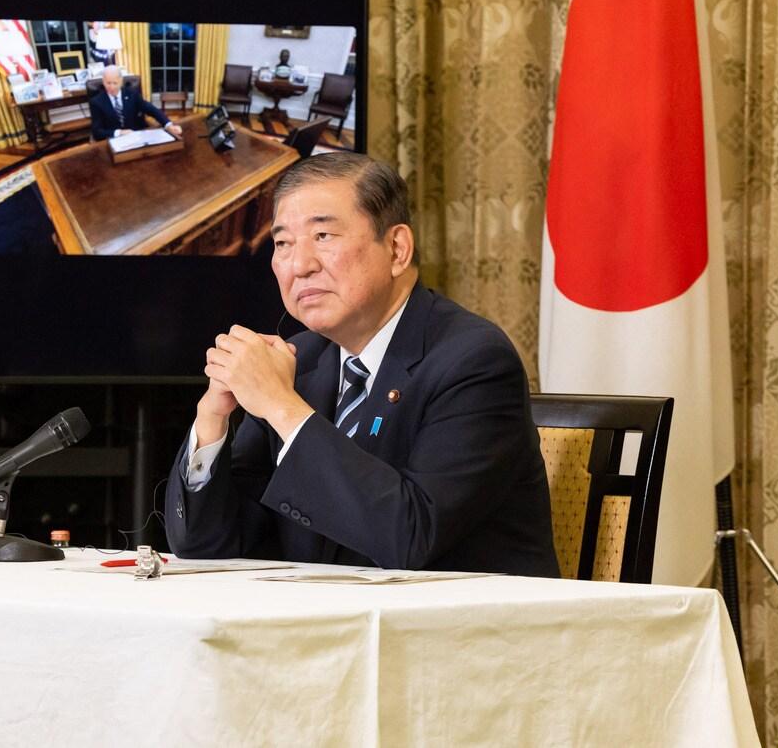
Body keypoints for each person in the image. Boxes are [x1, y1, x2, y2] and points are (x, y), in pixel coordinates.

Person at [165, 152, 560, 576]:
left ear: (396, 248)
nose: (299, 265)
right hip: (326, 629)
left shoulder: (473, 360)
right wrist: (213, 419)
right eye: (282, 243)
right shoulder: (303, 360)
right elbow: (208, 546)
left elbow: (410, 538)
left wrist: (281, 406)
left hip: (459, 631)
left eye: (323, 236)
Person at [87, 66, 182, 142]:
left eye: (115, 83)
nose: (111, 87)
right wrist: (119, 133)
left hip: (136, 138)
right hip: (113, 141)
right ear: (103, 81)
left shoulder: (132, 94)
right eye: (108, 83)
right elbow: (97, 132)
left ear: (121, 81)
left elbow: (151, 109)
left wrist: (168, 125)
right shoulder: (96, 102)